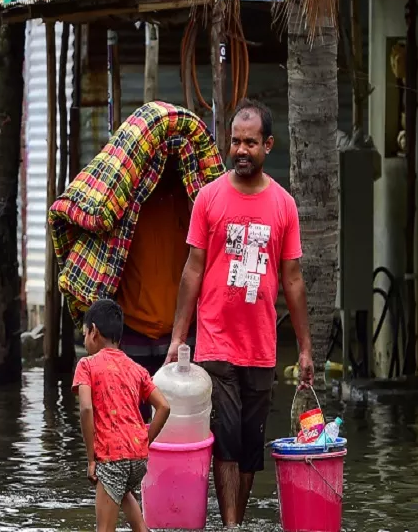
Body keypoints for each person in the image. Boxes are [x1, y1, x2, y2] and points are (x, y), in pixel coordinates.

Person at [166, 98, 315, 528]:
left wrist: (305, 349)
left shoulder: (284, 205)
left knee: (250, 448)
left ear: (268, 145)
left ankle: (237, 521)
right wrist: (179, 336)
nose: (241, 150)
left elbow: (293, 280)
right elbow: (193, 269)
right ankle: (231, 526)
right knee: (226, 442)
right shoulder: (209, 199)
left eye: (251, 142)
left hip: (262, 348)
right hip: (216, 343)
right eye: (235, 142)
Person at [74, 299, 172, 532]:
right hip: (138, 458)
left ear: (94, 331)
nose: (84, 339)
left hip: (111, 457)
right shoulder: (136, 369)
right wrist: (145, 440)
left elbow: (86, 409)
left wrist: (91, 459)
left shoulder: (86, 365)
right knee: (123, 493)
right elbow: (164, 407)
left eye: (85, 333)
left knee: (104, 528)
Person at [114, 156, 196, 420]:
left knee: (174, 419)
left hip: (178, 330)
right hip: (137, 328)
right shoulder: (125, 200)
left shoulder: (193, 199)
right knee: (144, 419)